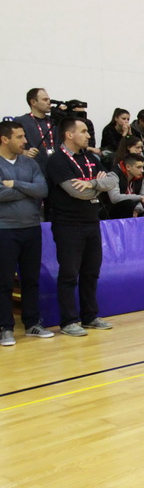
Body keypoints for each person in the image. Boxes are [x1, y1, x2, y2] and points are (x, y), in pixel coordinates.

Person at [46, 118, 118, 336]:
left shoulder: (89, 157)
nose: (89, 136)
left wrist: (93, 184)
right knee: (69, 274)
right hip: (68, 225)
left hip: (91, 221)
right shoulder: (57, 160)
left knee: (91, 272)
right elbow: (77, 192)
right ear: (69, 134)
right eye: (84, 131)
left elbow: (114, 180)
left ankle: (89, 316)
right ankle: (68, 321)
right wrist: (97, 187)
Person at [0, 121, 53, 346]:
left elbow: (42, 190)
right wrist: (26, 189)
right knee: (4, 281)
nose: (25, 141)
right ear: (5, 139)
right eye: (20, 137)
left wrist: (15, 185)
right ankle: (5, 328)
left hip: (31, 228)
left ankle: (32, 323)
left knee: (31, 279)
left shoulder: (29, 163)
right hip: (5, 230)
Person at [15, 88, 57, 163]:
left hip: (56, 166)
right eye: (45, 100)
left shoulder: (55, 121)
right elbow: (10, 145)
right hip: (34, 166)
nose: (49, 103)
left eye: (49, 100)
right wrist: (24, 152)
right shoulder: (21, 121)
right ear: (33, 102)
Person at [101, 153, 144, 219]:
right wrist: (139, 197)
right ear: (128, 167)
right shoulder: (114, 174)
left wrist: (137, 209)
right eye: (139, 167)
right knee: (128, 204)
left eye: (142, 167)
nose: (142, 170)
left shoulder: (139, 176)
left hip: (132, 209)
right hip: (111, 211)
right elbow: (114, 198)